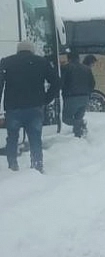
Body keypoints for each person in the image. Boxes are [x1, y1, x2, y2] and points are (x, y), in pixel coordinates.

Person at [0, 41, 60, 173]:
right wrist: (46, 99)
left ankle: (12, 166)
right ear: (32, 51)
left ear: (18, 50)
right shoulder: (41, 62)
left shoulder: (7, 62)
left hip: (13, 108)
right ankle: (37, 166)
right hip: (35, 107)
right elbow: (56, 82)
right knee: (35, 138)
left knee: (12, 138)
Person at [61, 50, 96, 138]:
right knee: (78, 117)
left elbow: (61, 82)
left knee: (66, 119)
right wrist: (87, 93)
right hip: (85, 98)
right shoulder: (86, 69)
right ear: (78, 58)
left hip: (71, 98)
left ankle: (81, 124)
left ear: (68, 59)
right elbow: (92, 84)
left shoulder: (65, 68)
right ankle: (79, 137)